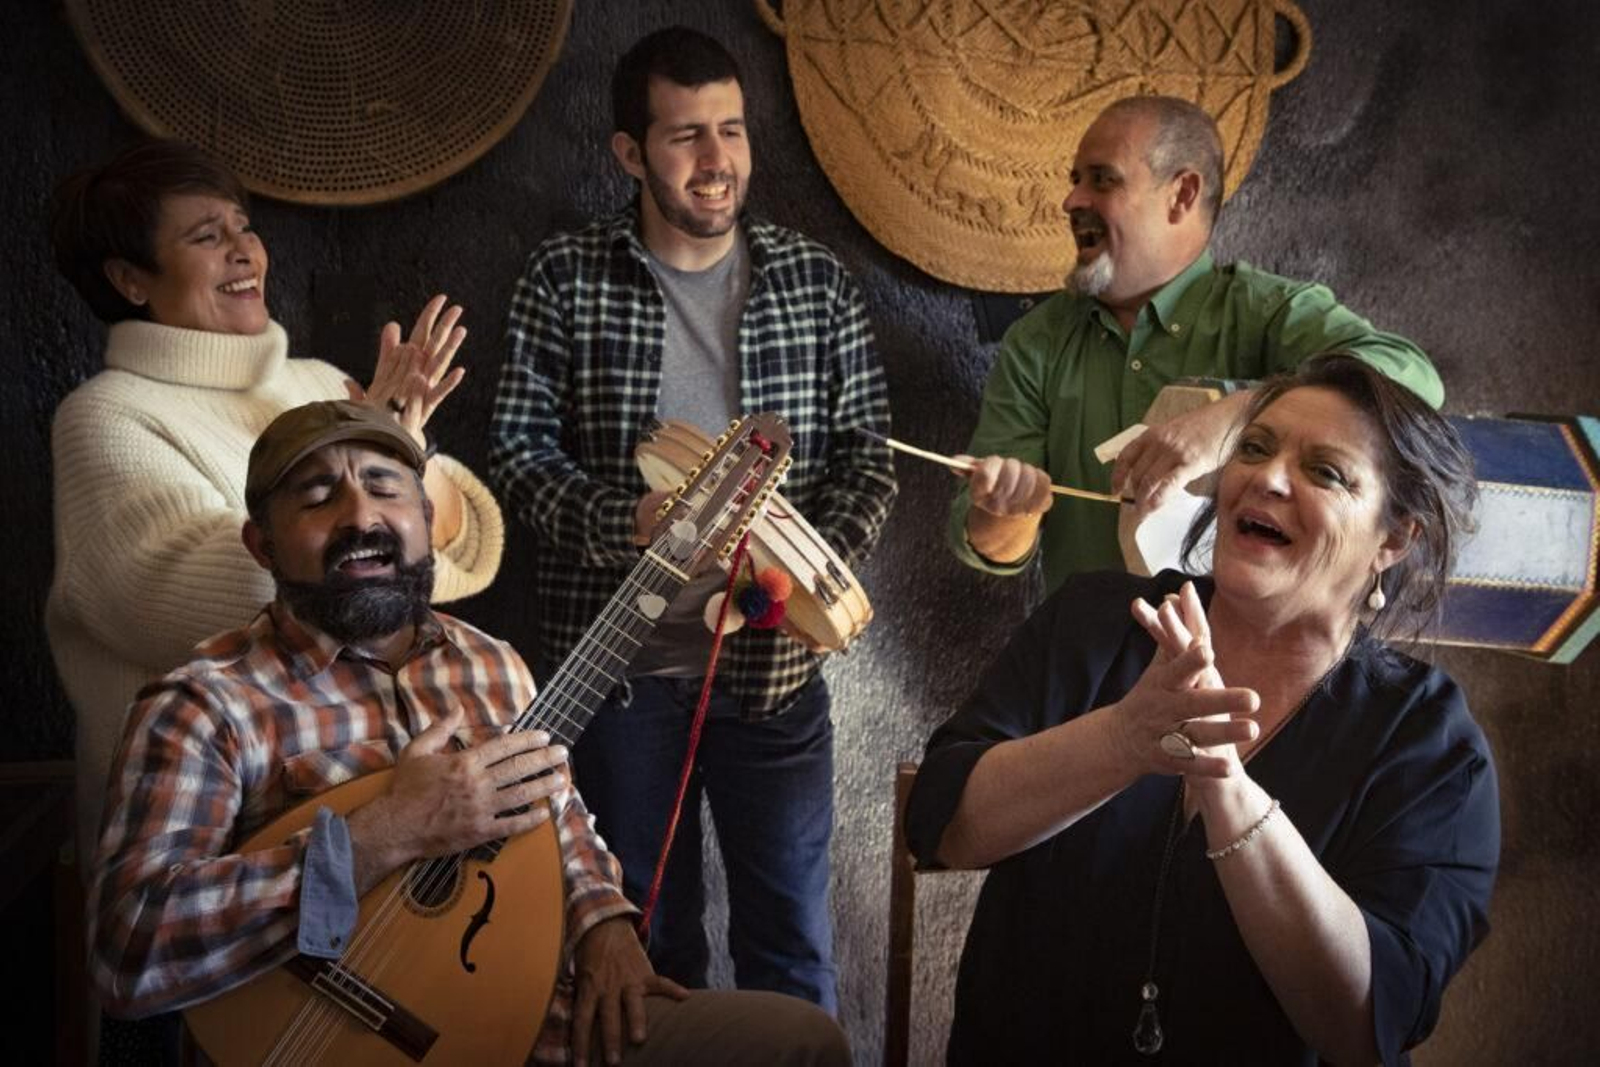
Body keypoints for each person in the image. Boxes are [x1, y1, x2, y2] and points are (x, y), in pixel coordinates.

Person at [88, 400, 851, 1067]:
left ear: (425, 523)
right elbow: (128, 952)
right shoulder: (207, 702)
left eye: (386, 487)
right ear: (263, 545)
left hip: (517, 1016)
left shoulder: (491, 665)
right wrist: (384, 833)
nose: (361, 516)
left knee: (796, 1039)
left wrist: (603, 920)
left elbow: (554, 808)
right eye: (319, 497)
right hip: (319, 1045)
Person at [908, 354, 1498, 1064]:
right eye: (1254, 447)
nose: (1268, 477)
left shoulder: (1430, 743)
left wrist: (1227, 788)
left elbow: (1367, 1023)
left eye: (1325, 471)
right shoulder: (1097, 621)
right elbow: (940, 827)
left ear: (1395, 539)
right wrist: (1124, 738)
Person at [489, 27, 895, 1013]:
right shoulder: (564, 277)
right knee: (642, 949)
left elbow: (868, 458)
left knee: (792, 946)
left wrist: (801, 570)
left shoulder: (813, 281)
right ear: (629, 153)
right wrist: (628, 517)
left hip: (774, 673)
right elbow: (515, 458)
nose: (717, 162)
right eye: (685, 138)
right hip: (621, 679)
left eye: (732, 131)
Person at [46, 140, 504, 863]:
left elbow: (468, 548)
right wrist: (390, 492)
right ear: (130, 278)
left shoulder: (315, 380)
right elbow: (219, 602)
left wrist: (401, 445)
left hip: (390, 815)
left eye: (243, 227)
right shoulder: (106, 416)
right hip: (214, 836)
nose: (244, 252)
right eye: (206, 236)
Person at [949, 95, 1444, 596]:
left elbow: (1412, 375)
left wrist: (1237, 419)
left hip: (1247, 663)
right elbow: (988, 548)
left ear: (1182, 194)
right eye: (1075, 180)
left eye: (1102, 179)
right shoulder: (1038, 340)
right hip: (1089, 660)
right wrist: (1008, 511)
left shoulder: (1265, 310)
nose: (1071, 201)